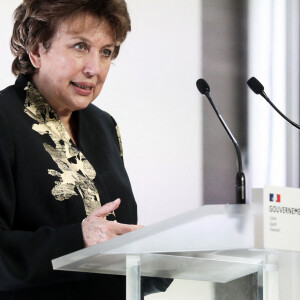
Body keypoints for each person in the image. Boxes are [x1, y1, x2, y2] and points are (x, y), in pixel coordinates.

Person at [0, 0, 171, 298]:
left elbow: (114, 244)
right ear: (37, 50)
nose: (94, 69)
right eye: (80, 46)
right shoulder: (3, 119)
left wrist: (158, 260)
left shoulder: (103, 125)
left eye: (106, 52)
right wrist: (77, 239)